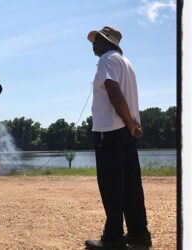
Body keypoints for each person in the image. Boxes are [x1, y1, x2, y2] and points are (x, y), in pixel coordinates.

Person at [84, 26, 152, 249]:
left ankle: (112, 237)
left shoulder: (106, 59)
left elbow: (113, 91)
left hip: (110, 132)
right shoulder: (127, 63)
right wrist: (132, 124)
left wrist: (130, 122)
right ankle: (138, 233)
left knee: (111, 185)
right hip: (126, 132)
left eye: (97, 40)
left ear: (106, 42)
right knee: (131, 185)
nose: (93, 44)